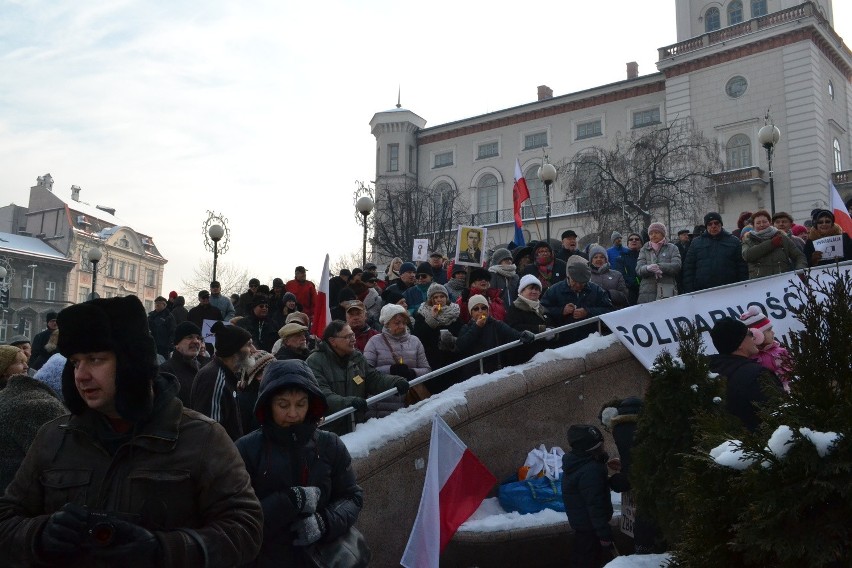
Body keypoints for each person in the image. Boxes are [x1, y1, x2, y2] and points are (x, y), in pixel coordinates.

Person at [0, 295, 263, 567]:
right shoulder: (55, 436)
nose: (81, 375)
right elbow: (7, 517)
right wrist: (39, 535)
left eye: (95, 359)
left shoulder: (202, 437)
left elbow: (245, 529)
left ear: (132, 361)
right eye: (76, 362)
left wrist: (163, 551)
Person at [235, 360, 366, 567]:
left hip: (324, 559)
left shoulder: (330, 444)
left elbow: (352, 497)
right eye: (283, 405)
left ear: (311, 404)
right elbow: (238, 519)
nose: (293, 414)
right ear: (268, 404)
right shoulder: (246, 449)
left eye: (301, 404)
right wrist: (290, 500)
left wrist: (324, 522)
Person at [306, 320, 410, 434]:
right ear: (333, 341)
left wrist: (395, 382)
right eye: (348, 336)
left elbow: (373, 378)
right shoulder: (315, 361)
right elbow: (322, 394)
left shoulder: (356, 357)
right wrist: (347, 403)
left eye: (353, 335)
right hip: (329, 430)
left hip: (356, 425)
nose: (353, 339)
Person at [0, 358, 67, 493]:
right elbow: (61, 468)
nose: (26, 366)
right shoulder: (43, 407)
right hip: (17, 503)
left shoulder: (9, 395)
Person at [708, 317, 783, 431]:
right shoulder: (756, 375)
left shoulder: (710, 371)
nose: (754, 337)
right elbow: (781, 413)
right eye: (749, 333)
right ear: (739, 344)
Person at [562, 424, 617, 568]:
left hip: (584, 526)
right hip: (592, 528)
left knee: (581, 558)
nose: (604, 447)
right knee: (587, 561)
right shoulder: (591, 470)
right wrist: (604, 534)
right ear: (592, 449)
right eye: (601, 445)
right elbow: (595, 505)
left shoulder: (577, 462)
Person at [190, 320, 254, 440]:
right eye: (248, 345)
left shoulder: (225, 374)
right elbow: (211, 431)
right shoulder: (215, 378)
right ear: (234, 349)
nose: (253, 350)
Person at [364, 304, 431, 408]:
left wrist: (412, 372)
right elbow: (366, 372)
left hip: (411, 399)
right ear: (386, 324)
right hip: (383, 403)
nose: (401, 326)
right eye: (397, 323)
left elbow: (427, 370)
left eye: (404, 323)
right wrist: (391, 370)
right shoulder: (374, 342)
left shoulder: (415, 341)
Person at [456, 295, 534, 376]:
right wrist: (477, 327)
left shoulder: (496, 324)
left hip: (495, 371)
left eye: (483, 308)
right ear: (471, 313)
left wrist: (524, 334)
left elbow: (512, 333)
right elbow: (461, 345)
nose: (480, 311)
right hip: (475, 374)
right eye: (476, 309)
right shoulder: (466, 328)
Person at [542, 262, 613, 342]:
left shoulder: (596, 290)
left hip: (591, 339)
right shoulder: (554, 290)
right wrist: (562, 311)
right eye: (575, 281)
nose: (578, 285)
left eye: (582, 282)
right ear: (568, 277)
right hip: (562, 341)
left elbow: (609, 310)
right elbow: (543, 311)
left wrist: (587, 312)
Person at [411, 283, 463, 393]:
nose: (439, 300)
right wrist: (432, 318)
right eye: (435, 297)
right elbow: (418, 335)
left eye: (442, 296)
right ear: (430, 299)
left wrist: (452, 339)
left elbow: (462, 334)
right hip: (432, 360)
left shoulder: (454, 312)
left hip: (452, 359)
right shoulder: (423, 313)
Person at [682, 212, 747, 292]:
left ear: (721, 224)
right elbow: (689, 268)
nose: (713, 226)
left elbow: (742, 267)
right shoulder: (696, 243)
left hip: (730, 290)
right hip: (703, 291)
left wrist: (742, 287)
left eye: (716, 223)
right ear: (706, 226)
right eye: (709, 224)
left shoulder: (734, 241)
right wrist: (690, 290)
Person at [504, 275, 556, 365]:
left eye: (537, 289)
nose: (534, 291)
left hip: (545, 356)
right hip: (524, 357)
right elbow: (514, 328)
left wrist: (554, 333)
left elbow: (551, 323)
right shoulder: (515, 308)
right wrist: (540, 330)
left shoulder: (542, 308)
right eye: (531, 288)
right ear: (522, 291)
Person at [741, 209, 807, 278]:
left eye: (764, 222)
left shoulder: (781, 237)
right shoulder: (748, 239)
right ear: (753, 225)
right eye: (758, 223)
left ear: (770, 222)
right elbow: (747, 255)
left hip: (783, 280)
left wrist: (800, 271)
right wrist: (771, 243)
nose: (762, 225)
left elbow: (799, 256)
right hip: (759, 283)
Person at [739, 306, 791, 392]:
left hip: (786, 391)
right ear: (757, 335)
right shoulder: (749, 358)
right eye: (769, 330)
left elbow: (791, 370)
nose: (773, 332)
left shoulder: (781, 352)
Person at [159, 321, 206, 406]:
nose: (196, 341)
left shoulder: (204, 367)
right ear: (177, 344)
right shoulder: (165, 371)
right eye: (189, 337)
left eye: (199, 338)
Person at [636, 222, 681, 304]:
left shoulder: (672, 248)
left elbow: (677, 266)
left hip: (667, 289)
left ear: (663, 234)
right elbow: (639, 269)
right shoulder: (644, 249)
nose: (653, 235)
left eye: (656, 233)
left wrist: (660, 267)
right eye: (651, 233)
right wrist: (648, 268)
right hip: (647, 292)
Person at [588, 245, 629, 309]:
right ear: (591, 260)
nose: (599, 259)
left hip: (613, 312)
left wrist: (610, 294)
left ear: (606, 259)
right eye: (595, 257)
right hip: (592, 313)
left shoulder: (617, 275)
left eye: (602, 257)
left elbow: (624, 296)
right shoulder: (586, 275)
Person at [613, 233, 642, 306]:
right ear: (628, 243)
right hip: (629, 293)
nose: (634, 241)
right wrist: (635, 283)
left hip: (645, 291)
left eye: (637, 239)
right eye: (631, 239)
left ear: (641, 243)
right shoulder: (621, 258)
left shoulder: (646, 256)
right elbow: (621, 275)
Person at [148, 296, 176, 360]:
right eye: (156, 303)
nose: (157, 305)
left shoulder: (168, 316)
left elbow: (173, 331)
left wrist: (170, 344)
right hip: (152, 344)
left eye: (159, 303)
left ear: (164, 305)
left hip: (164, 346)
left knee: (163, 362)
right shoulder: (151, 316)